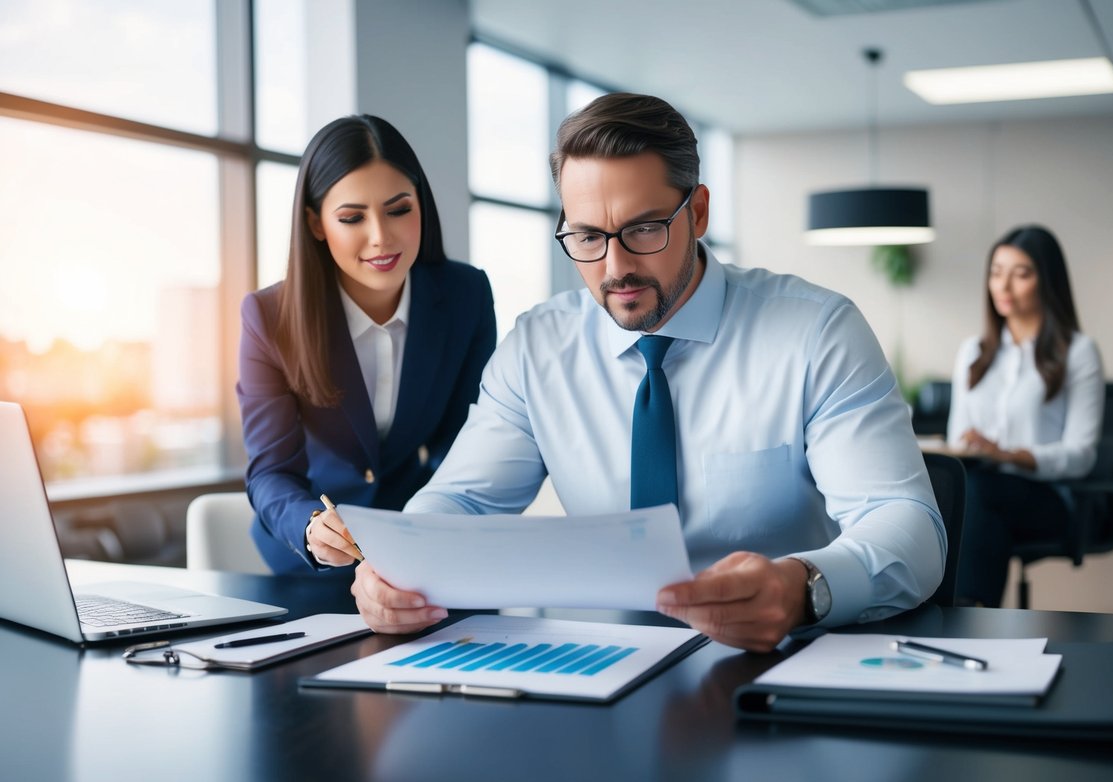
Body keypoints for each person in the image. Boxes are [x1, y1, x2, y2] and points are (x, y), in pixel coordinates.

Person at [339, 93, 944, 652]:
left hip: (781, 657)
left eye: (644, 228)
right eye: (586, 236)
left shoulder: (815, 332)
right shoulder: (537, 348)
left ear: (698, 211)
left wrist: (803, 586)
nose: (615, 265)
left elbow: (906, 526)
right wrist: (397, 567)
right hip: (608, 658)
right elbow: (461, 499)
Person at [237, 115, 496, 574]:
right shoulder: (270, 318)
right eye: (352, 217)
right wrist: (311, 527)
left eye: (399, 209)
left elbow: (465, 443)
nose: (381, 236)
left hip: (423, 549)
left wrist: (434, 531)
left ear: (422, 204)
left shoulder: (465, 296)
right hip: (310, 566)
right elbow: (271, 471)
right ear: (316, 224)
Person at [947, 224, 1104, 606]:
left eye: (1021, 274)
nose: (1004, 286)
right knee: (951, 492)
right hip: (982, 491)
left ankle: (970, 614)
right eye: (996, 272)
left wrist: (1008, 454)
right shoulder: (973, 352)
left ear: (1046, 281)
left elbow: (1082, 455)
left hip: (1047, 497)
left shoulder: (1078, 352)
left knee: (978, 496)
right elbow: (957, 437)